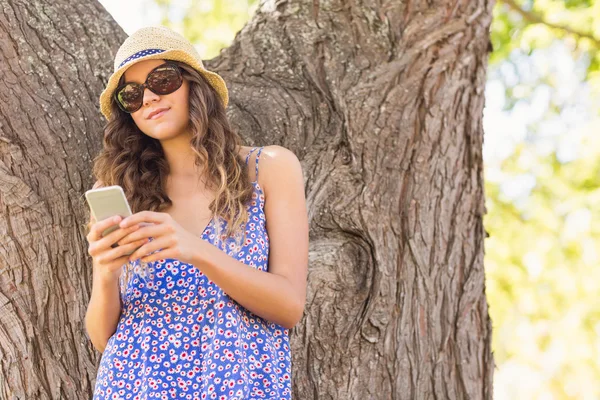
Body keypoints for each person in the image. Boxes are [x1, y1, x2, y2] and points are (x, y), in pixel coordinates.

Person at [84, 25, 308, 400]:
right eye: (133, 94)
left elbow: (289, 307)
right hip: (133, 386)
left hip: (236, 386)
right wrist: (107, 272)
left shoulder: (269, 167)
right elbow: (103, 337)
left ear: (193, 85)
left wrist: (196, 250)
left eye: (163, 79)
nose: (150, 97)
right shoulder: (121, 193)